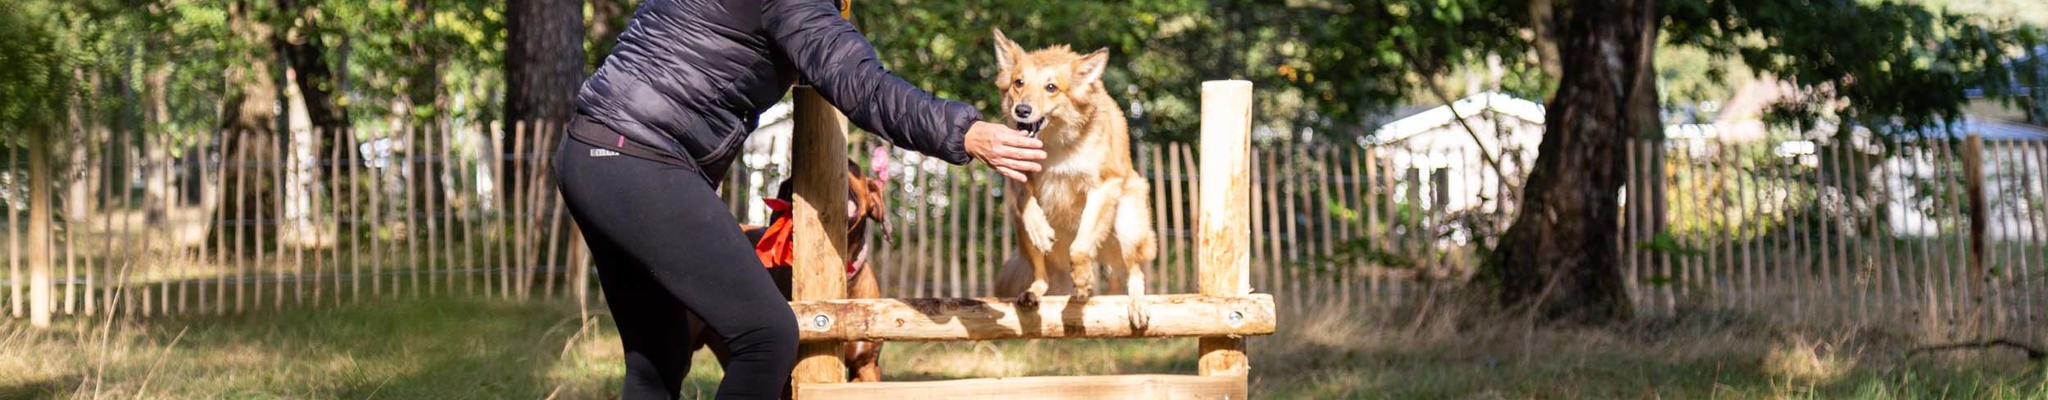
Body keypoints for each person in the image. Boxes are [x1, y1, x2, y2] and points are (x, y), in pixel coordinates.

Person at [551, 0, 1046, 398]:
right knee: (768, 337)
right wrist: (966, 131)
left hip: (588, 152)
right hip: (641, 160)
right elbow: (865, 87)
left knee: (657, 360)